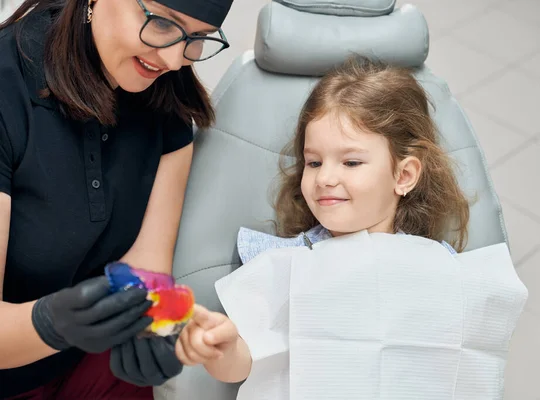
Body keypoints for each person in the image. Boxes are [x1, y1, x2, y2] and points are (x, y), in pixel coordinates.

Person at [173, 55, 470, 383]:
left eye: (351, 163)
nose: (325, 177)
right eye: (314, 163)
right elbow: (245, 365)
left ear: (404, 174)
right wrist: (224, 349)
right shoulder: (287, 266)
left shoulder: (436, 269)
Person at [0, 0, 233, 398]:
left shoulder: (167, 98)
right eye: (162, 24)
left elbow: (144, 272)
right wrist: (50, 323)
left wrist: (156, 327)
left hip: (87, 362)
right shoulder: (8, 91)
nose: (176, 60)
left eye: (197, 38)